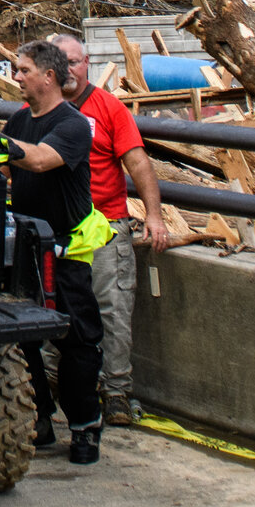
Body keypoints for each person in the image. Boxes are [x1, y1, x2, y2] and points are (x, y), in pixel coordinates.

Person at [50, 33, 171, 428]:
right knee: (49, 309)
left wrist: (154, 216)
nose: (68, 70)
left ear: (87, 63)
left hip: (105, 226)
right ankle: (49, 385)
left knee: (112, 309)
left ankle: (117, 391)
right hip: (58, 229)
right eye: (59, 62)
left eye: (74, 61)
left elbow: (138, 165)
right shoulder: (37, 109)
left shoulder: (109, 109)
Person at [6, 38, 109, 466]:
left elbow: (40, 161)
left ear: (48, 76)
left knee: (78, 341)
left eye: (23, 70)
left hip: (65, 252)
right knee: (23, 338)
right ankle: (41, 420)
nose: (16, 77)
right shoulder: (18, 120)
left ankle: (85, 426)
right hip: (25, 247)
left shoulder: (72, 125)